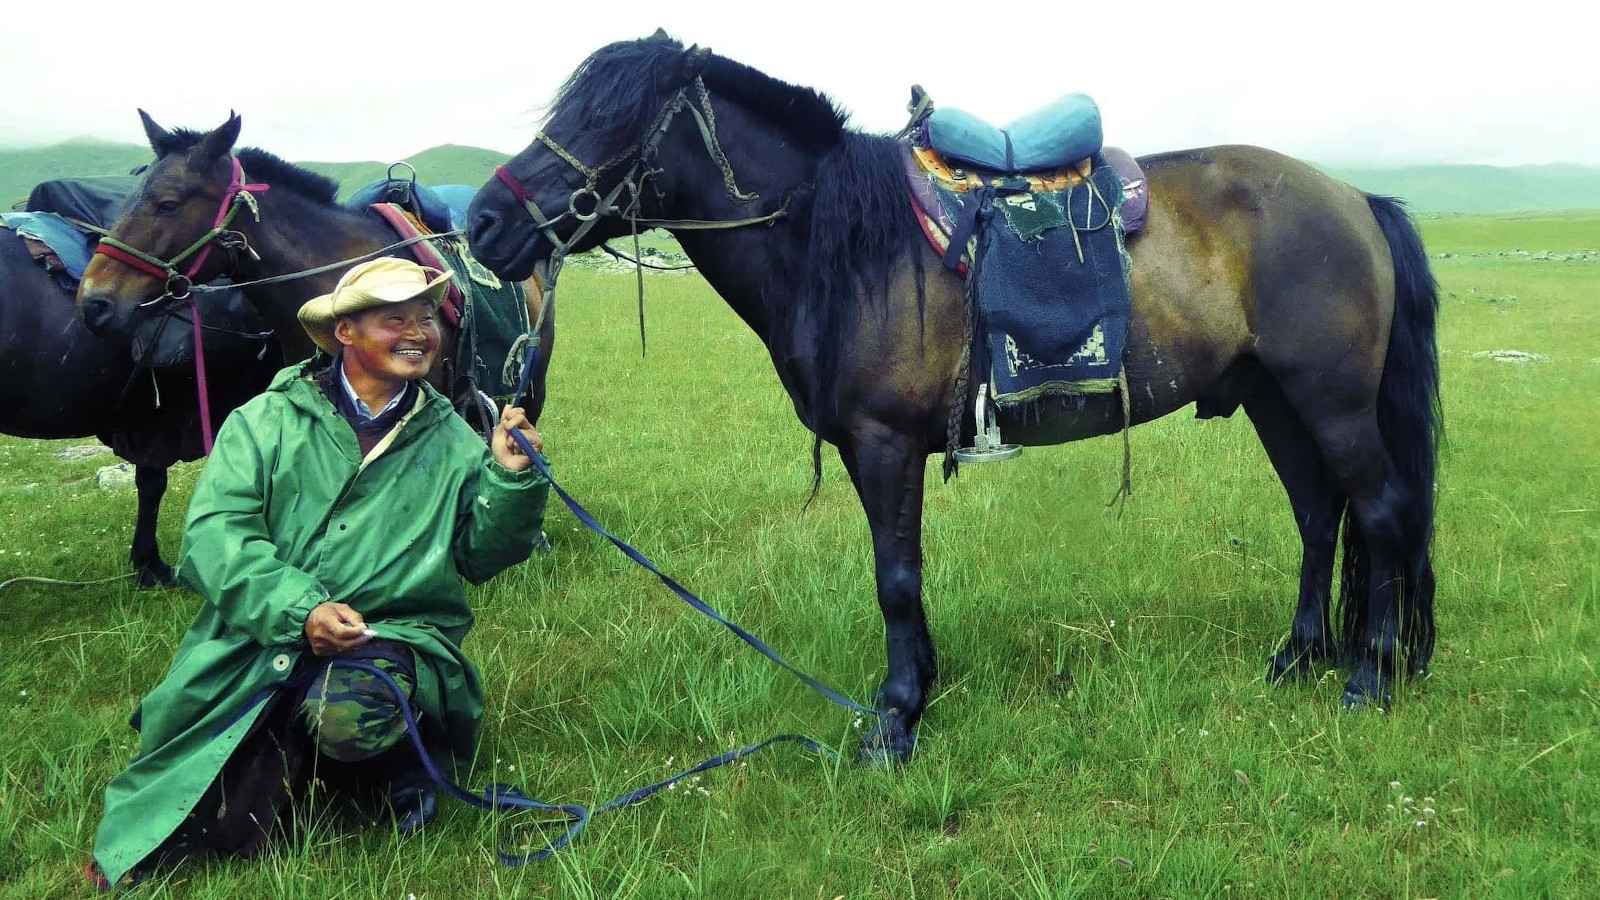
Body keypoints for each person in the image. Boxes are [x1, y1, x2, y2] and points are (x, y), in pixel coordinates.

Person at [88, 257, 550, 888]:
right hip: (262, 633)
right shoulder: (266, 421)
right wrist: (299, 611)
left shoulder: (453, 439)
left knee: (346, 714)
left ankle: (397, 766)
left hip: (394, 634)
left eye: (425, 318)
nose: (418, 332)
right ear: (346, 334)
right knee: (205, 757)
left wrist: (509, 480)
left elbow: (482, 556)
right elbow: (214, 534)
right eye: (396, 319)